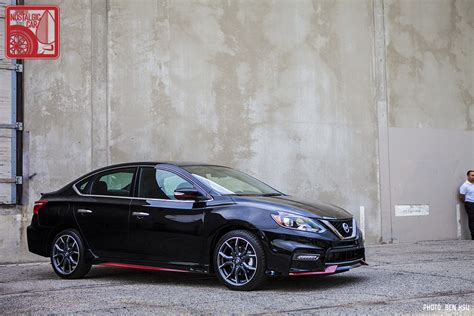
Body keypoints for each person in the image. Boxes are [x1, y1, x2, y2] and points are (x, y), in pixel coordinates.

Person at [459, 170, 474, 240]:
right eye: (472, 175)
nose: (473, 177)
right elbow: (461, 196)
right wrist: (467, 203)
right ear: (468, 176)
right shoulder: (465, 186)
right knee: (472, 219)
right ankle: (473, 235)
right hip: (470, 204)